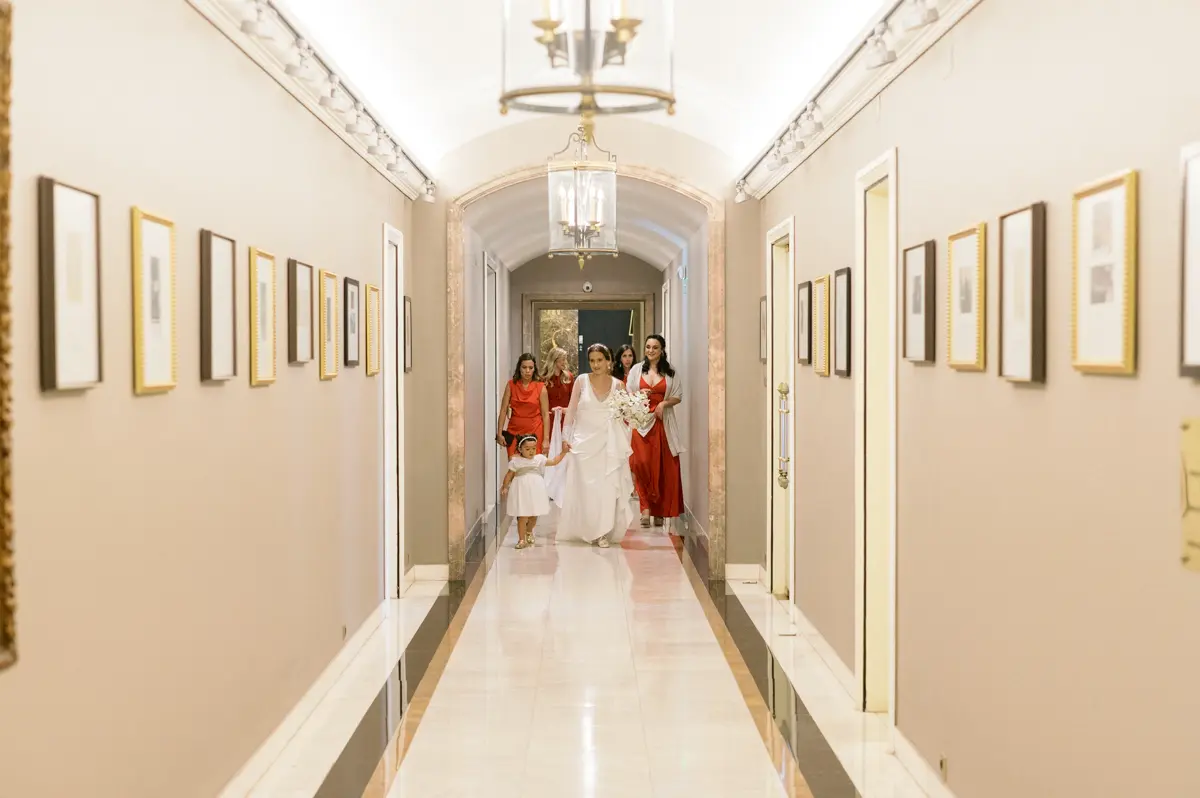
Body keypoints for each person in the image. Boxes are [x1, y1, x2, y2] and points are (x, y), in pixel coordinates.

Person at [556, 343, 636, 548]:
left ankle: (603, 532)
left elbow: (626, 413)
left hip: (608, 443)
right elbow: (572, 410)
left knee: (606, 489)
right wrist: (566, 436)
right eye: (592, 360)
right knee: (586, 490)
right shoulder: (581, 381)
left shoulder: (618, 385)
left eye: (600, 360)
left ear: (608, 360)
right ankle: (588, 528)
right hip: (583, 444)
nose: (596, 364)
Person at [625, 334, 684, 527]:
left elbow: (678, 395)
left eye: (655, 347)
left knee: (662, 466)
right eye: (648, 347)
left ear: (662, 350)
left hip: (662, 423)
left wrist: (664, 403)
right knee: (640, 464)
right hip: (641, 423)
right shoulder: (636, 370)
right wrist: (639, 395)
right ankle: (645, 508)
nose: (651, 350)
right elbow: (628, 394)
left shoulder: (670, 371)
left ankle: (659, 510)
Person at [501, 434, 571, 549]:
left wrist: (563, 452)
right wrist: (505, 486)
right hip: (521, 489)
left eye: (533, 448)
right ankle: (521, 539)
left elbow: (554, 461)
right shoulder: (516, 461)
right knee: (523, 515)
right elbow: (509, 475)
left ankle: (529, 531)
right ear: (520, 449)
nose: (531, 451)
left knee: (533, 515)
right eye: (527, 449)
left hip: (536, 489)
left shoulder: (539, 459)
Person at [496, 353, 550, 458]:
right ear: (519, 368)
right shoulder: (511, 385)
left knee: (533, 467)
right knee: (514, 467)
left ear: (534, 369)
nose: (527, 371)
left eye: (530, 368)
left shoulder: (541, 387)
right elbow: (503, 410)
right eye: (524, 367)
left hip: (535, 431)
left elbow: (545, 414)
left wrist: (546, 439)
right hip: (514, 431)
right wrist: (499, 433)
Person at [541, 347, 573, 503]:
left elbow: (573, 399)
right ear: (554, 360)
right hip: (551, 420)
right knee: (551, 452)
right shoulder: (544, 380)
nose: (564, 362)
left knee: (565, 451)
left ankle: (564, 486)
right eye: (562, 359)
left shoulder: (569, 378)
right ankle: (550, 486)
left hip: (566, 419)